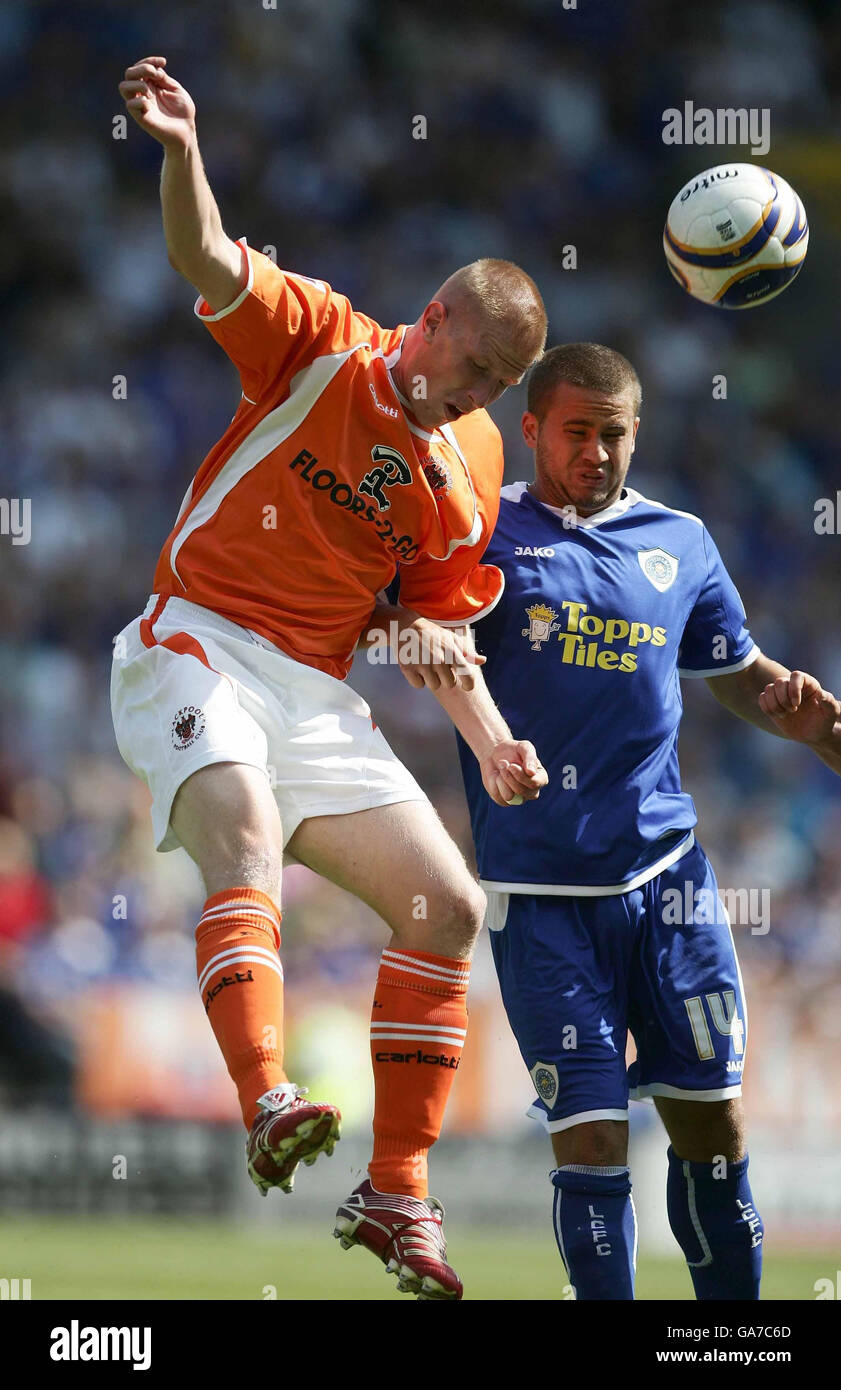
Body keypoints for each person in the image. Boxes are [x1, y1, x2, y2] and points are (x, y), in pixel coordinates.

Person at [111, 55, 547, 1300]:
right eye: (469, 374)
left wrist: (492, 732)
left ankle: (396, 1189)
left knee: (449, 908)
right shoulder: (317, 340)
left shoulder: (461, 466)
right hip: (192, 637)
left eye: (495, 395)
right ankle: (266, 1102)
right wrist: (184, 151)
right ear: (436, 318)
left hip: (312, 691)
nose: (471, 400)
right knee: (242, 837)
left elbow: (425, 628)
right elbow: (205, 262)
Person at [449, 342, 841, 1300]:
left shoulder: (682, 542)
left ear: (636, 435)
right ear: (530, 428)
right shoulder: (477, 535)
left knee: (711, 1123)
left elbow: (735, 675)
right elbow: (406, 626)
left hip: (668, 886)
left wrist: (807, 725)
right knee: (589, 1139)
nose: (594, 452)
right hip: (541, 896)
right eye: (575, 432)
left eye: (612, 434)